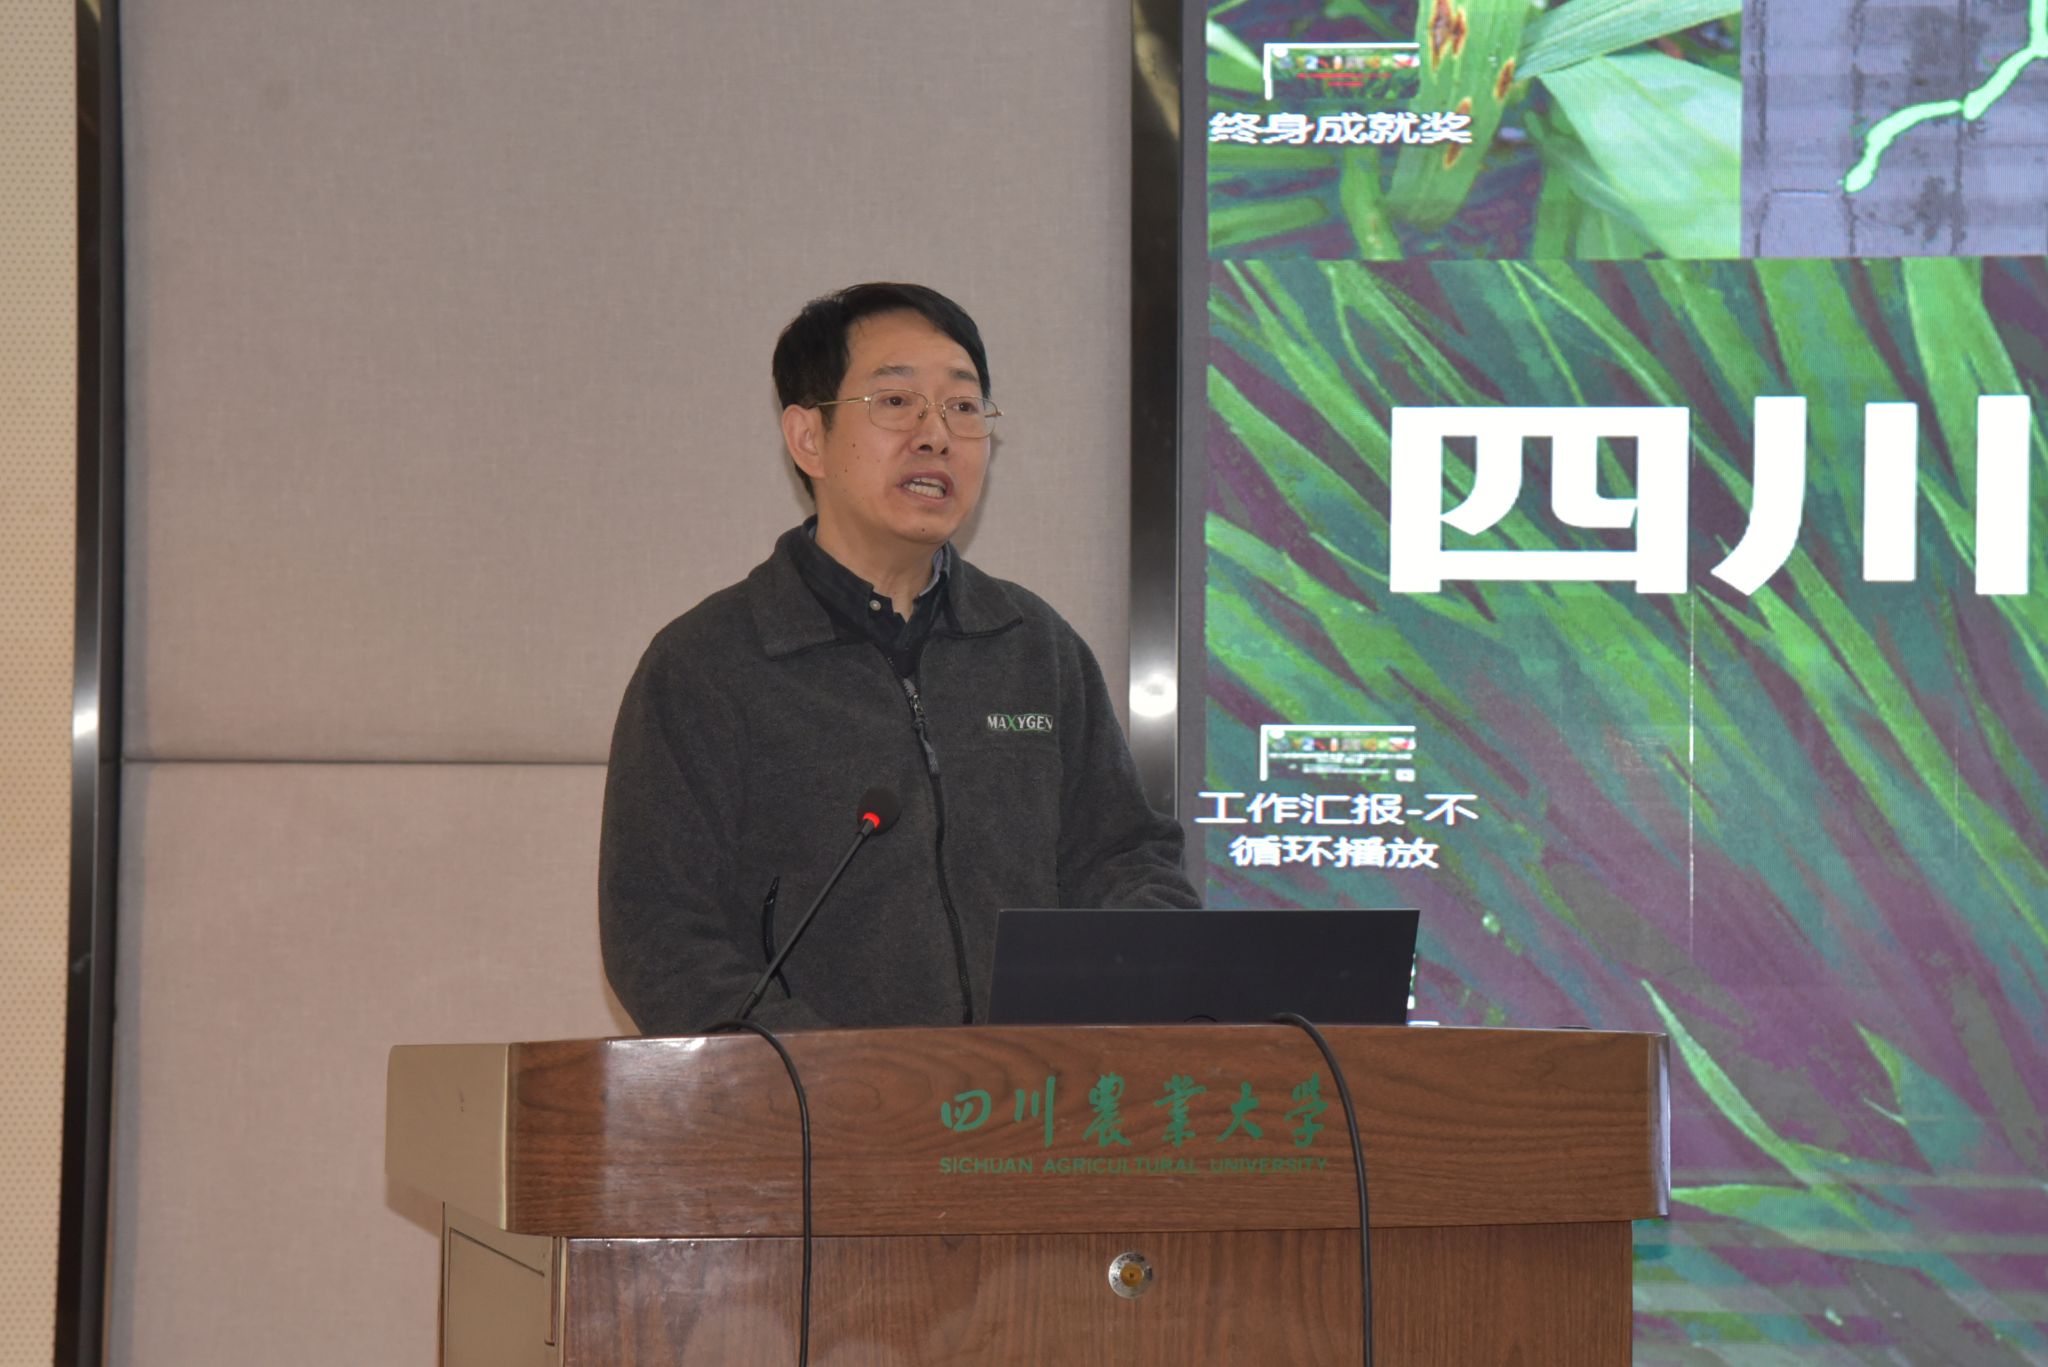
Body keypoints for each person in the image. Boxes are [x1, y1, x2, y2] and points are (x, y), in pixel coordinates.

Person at [599, 282, 1199, 1034]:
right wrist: (835, 1075)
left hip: (1036, 1097)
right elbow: (659, 937)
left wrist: (1130, 987)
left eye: (963, 406)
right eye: (895, 402)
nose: (937, 435)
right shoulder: (709, 665)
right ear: (808, 438)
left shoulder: (1034, 648)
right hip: (814, 1102)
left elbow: (1127, 860)